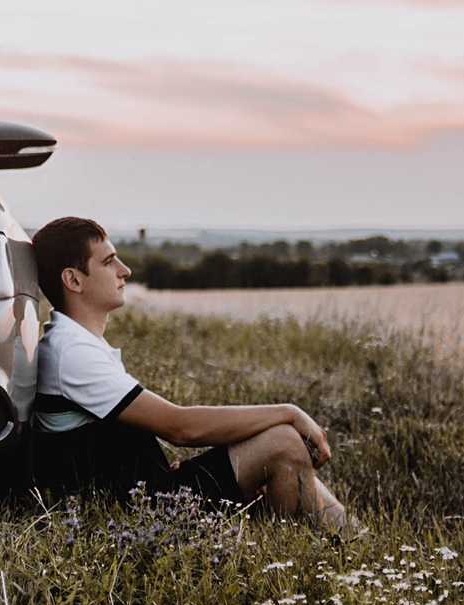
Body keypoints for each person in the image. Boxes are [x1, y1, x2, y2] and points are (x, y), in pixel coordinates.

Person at [31, 215, 353, 528]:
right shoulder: (71, 351)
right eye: (108, 262)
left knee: (280, 445)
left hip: (148, 493)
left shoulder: (75, 342)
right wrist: (290, 412)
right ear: (73, 280)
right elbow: (181, 428)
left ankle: (348, 536)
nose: (125, 270)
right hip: (144, 516)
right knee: (283, 442)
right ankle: (291, 556)